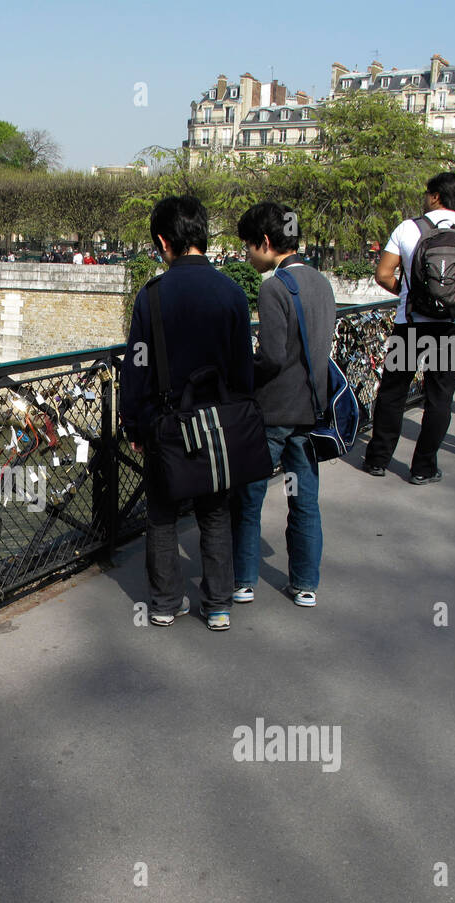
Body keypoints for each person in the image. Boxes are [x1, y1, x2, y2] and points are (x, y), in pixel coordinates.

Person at [119, 195, 254, 631]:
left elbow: (137, 364)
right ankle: (217, 605)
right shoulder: (233, 293)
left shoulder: (152, 296)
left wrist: (133, 422)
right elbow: (243, 371)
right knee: (215, 511)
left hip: (166, 422)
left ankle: (163, 603)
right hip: (218, 423)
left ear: (163, 241)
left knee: (161, 513)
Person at [363, 171, 455, 484]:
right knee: (439, 398)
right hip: (451, 329)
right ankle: (423, 467)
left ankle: (377, 459)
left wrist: (413, 296)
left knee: (393, 392)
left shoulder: (409, 228)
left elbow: (383, 275)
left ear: (435, 195)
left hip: (409, 325)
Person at [232, 202, 335, 608]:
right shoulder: (321, 283)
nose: (246, 255)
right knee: (304, 500)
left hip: (273, 413)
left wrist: (246, 373)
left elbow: (272, 356)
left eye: (248, 247)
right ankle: (305, 584)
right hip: (311, 411)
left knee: (249, 496)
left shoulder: (273, 288)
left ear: (267, 243)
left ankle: (243, 581)